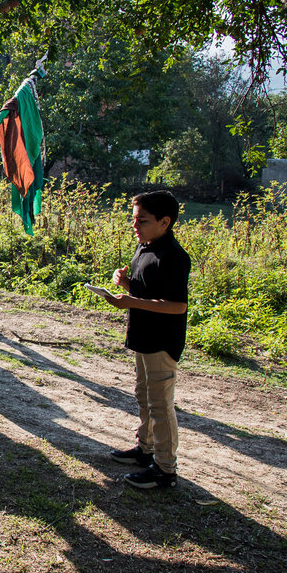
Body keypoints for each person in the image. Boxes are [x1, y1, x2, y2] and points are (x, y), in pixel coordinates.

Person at [105, 191, 191, 490]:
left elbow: (176, 305)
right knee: (144, 397)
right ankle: (145, 450)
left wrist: (131, 301)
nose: (135, 226)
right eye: (134, 219)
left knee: (160, 405)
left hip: (162, 341)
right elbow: (145, 292)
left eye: (142, 220)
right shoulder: (145, 248)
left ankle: (165, 469)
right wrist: (125, 284)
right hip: (142, 336)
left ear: (165, 222)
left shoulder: (174, 256)